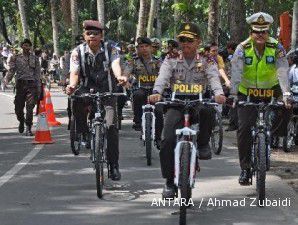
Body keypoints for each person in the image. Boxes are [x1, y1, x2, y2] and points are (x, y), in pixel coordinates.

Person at [149, 23, 226, 198]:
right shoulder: (171, 58)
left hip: (199, 102)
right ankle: (169, 181)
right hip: (176, 104)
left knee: (208, 111)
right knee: (167, 139)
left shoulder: (207, 60)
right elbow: (162, 77)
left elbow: (214, 78)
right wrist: (156, 92)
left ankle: (204, 143)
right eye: (182, 39)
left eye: (189, 40)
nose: (185, 43)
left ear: (198, 41)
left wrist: (219, 93)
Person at [230, 12, 291, 185]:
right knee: (244, 129)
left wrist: (286, 94)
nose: (260, 35)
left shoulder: (277, 47)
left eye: (264, 31)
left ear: (268, 32)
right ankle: (245, 168)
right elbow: (236, 72)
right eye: (257, 31)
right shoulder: (242, 48)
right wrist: (234, 94)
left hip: (271, 90)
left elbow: (282, 70)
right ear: (251, 32)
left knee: (288, 108)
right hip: (247, 91)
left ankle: (272, 137)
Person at [65, 20, 127, 181]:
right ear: (84, 36)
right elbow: (75, 72)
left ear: (102, 36)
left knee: (111, 126)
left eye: (96, 34)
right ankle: (84, 131)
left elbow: (115, 64)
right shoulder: (77, 52)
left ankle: (113, 166)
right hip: (86, 88)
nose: (92, 36)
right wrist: (72, 85)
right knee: (75, 99)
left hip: (108, 90)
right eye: (88, 33)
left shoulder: (111, 49)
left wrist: (119, 76)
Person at [3, 39, 41, 136]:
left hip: (31, 85)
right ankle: (21, 120)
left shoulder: (35, 58)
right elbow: (11, 70)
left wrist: (38, 87)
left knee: (30, 107)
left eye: (28, 45)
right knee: (18, 108)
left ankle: (28, 128)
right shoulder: (16, 58)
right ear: (21, 46)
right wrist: (6, 80)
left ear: (30, 47)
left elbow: (37, 74)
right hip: (20, 85)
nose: (26, 47)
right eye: (24, 45)